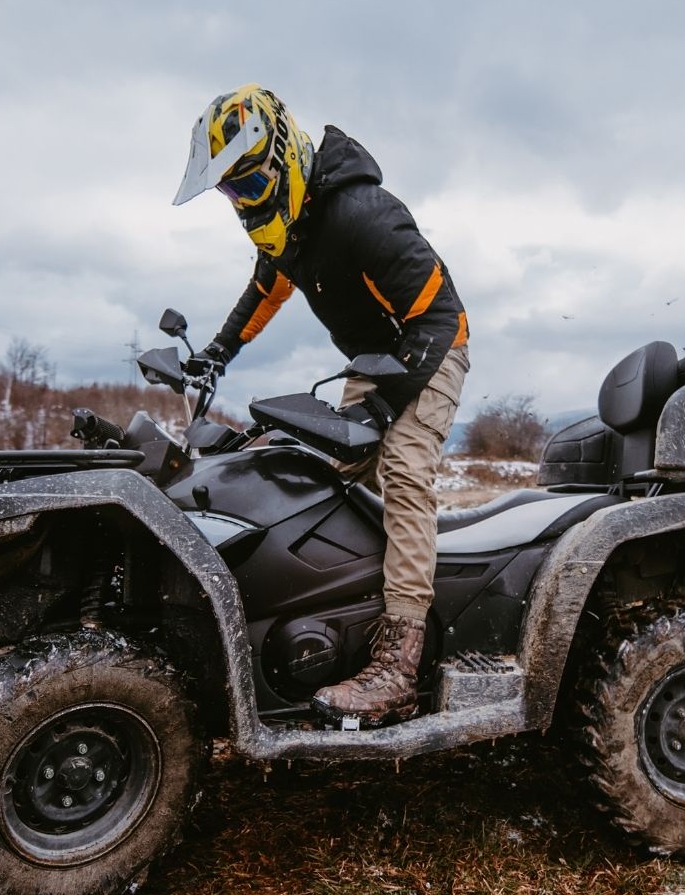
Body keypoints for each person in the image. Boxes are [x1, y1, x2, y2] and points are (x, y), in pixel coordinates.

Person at [173, 86, 469, 727]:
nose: (243, 204)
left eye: (248, 186)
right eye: (231, 193)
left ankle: (400, 656)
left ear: (282, 159)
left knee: (404, 472)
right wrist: (220, 350)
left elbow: (442, 317)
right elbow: (266, 288)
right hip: (371, 364)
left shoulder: (364, 214)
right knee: (312, 472)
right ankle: (335, 609)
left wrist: (384, 409)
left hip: (429, 351)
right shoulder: (293, 234)